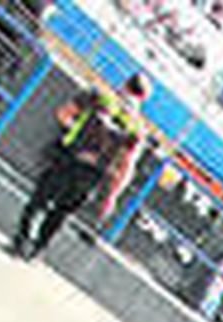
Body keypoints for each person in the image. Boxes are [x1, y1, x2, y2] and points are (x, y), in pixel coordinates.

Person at [10, 72, 152, 261]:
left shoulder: (99, 96)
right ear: (143, 99)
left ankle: (21, 241)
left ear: (125, 83)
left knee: (39, 200)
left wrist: (74, 133)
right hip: (93, 173)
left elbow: (64, 114)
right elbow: (127, 166)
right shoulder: (137, 128)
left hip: (68, 156)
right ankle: (37, 250)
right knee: (61, 213)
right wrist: (112, 196)